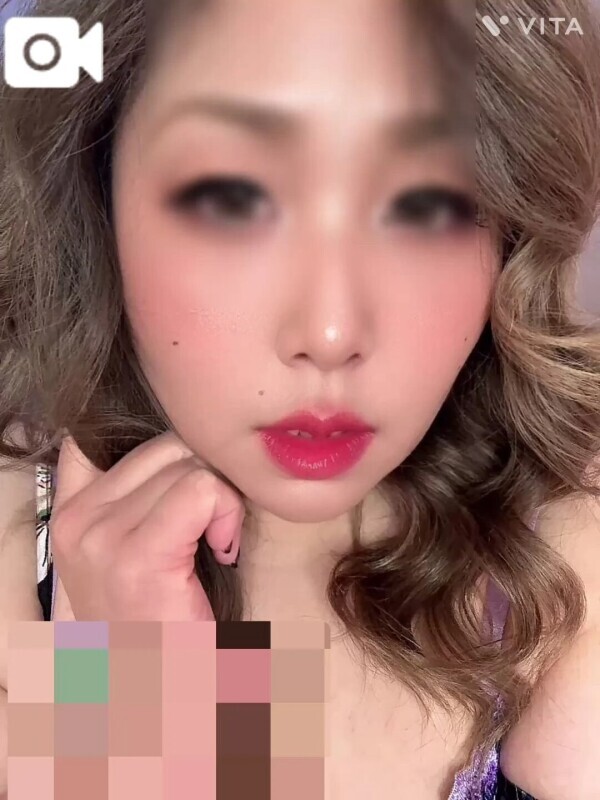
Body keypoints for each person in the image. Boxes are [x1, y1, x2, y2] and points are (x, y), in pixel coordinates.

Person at [1, 0, 600, 797]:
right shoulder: (18, 530)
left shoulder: (555, 560)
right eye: (232, 198)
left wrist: (160, 723)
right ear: (94, 187)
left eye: (428, 204)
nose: (329, 332)